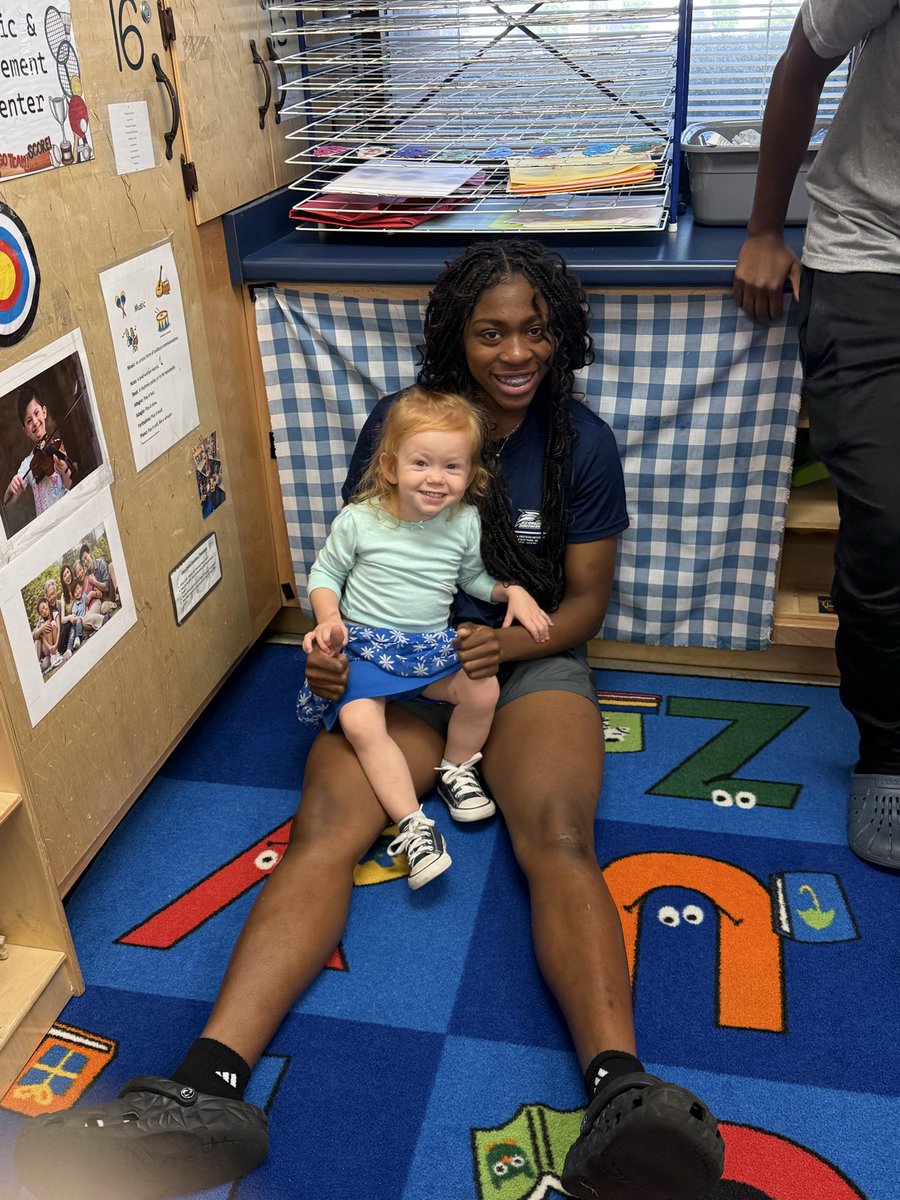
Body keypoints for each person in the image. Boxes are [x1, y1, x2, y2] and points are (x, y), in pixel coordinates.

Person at [16, 240, 725, 1200]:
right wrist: (331, 653)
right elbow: (349, 572)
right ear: (455, 339)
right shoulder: (404, 426)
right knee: (325, 831)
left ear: (560, 334)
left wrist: (501, 651)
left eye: (535, 329)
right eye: (491, 332)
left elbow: (586, 604)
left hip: (524, 661)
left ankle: (620, 1093)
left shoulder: (583, 443)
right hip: (401, 667)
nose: (516, 351)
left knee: (558, 835)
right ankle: (206, 1089)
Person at [731, 0, 900, 869]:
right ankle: (889, 753)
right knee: (887, 523)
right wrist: (764, 228)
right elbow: (802, 64)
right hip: (873, 258)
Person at [297, 386, 552, 889]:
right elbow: (324, 574)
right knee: (359, 720)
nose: (436, 479)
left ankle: (456, 770)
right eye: (421, 464)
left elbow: (472, 579)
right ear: (391, 467)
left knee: (483, 687)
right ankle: (414, 825)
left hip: (428, 652)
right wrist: (328, 620)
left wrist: (512, 592)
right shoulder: (361, 519)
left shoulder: (463, 522)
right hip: (368, 648)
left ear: (470, 475)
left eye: (452, 468)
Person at [3, 385, 74, 516]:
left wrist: (64, 469)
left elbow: (69, 484)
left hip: (65, 514)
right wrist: (10, 489)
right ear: (26, 431)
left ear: (44, 412)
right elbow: (8, 507)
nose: (35, 422)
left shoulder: (58, 446)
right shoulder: (28, 463)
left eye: (37, 413)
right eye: (29, 421)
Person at [80, 543, 118, 612]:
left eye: (85, 557)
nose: (85, 562)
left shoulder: (100, 563)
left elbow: (106, 588)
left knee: (111, 566)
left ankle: (118, 595)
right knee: (104, 608)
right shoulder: (87, 575)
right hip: (103, 601)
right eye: (83, 561)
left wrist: (95, 582)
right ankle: (112, 605)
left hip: (111, 592)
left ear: (90, 554)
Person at [32, 597, 62, 673]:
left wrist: (55, 646)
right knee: (47, 625)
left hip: (55, 645)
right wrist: (50, 648)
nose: (44, 611)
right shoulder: (42, 621)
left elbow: (59, 630)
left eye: (44, 607)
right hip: (47, 649)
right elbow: (41, 638)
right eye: (42, 612)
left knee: (53, 625)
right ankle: (52, 656)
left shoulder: (55, 613)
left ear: (47, 603)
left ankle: (56, 654)